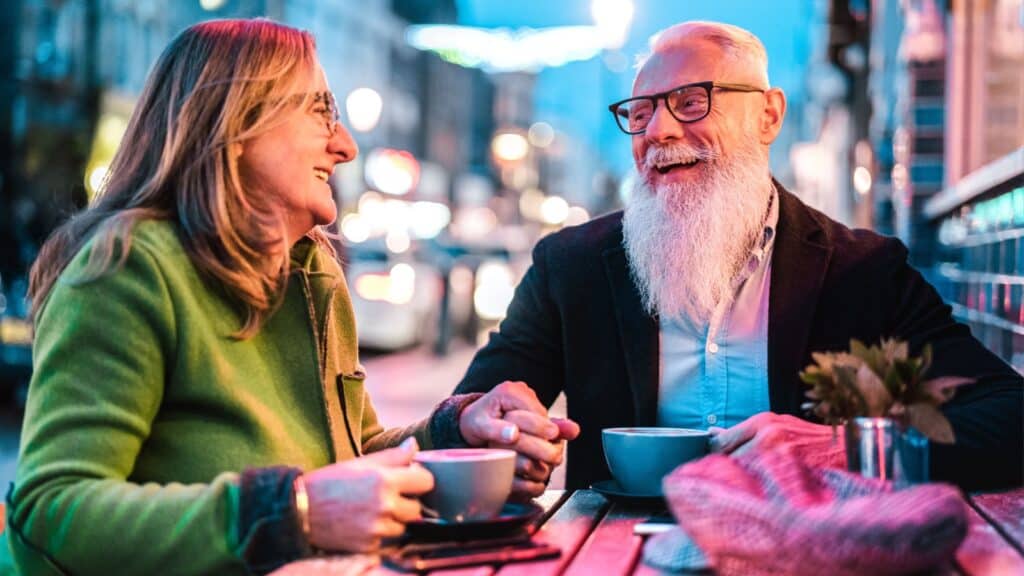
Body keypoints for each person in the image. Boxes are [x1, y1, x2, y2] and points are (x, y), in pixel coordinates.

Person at [4, 18, 577, 576]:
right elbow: (51, 509)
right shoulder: (128, 267)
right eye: (321, 110)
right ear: (236, 123)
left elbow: (347, 458)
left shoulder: (310, 272)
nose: (346, 146)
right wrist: (292, 513)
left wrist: (456, 433)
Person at [455, 21, 1022, 492]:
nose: (659, 130)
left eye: (691, 101)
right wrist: (498, 429)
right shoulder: (570, 266)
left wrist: (847, 449)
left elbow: (1009, 418)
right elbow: (469, 417)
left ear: (769, 116)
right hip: (614, 549)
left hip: (807, 547)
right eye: (641, 112)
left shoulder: (862, 271)